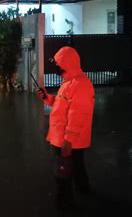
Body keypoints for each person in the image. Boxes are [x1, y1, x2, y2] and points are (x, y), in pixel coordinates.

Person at [37, 46, 95, 209]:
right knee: (76, 165)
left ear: (67, 65)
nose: (56, 68)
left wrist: (68, 141)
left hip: (68, 139)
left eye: (58, 65)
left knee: (63, 171)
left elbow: (78, 115)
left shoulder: (81, 85)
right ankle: (83, 189)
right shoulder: (68, 82)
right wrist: (47, 98)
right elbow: (60, 104)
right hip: (63, 137)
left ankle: (65, 203)